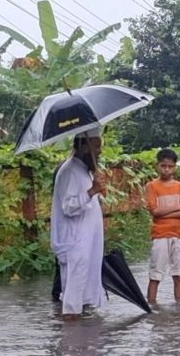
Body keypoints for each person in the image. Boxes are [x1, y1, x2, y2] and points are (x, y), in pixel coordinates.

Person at [50, 128, 106, 321]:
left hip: (85, 244)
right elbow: (68, 206)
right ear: (83, 146)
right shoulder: (69, 171)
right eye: (96, 146)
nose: (99, 151)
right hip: (75, 244)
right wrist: (91, 192)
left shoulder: (84, 170)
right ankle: (72, 342)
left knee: (82, 295)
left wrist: (96, 191)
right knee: (73, 298)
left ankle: (82, 342)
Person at [145, 148, 180, 303]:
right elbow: (154, 211)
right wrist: (177, 208)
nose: (166, 169)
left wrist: (165, 213)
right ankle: (151, 307)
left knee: (178, 274)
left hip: (179, 235)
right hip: (160, 235)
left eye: (170, 166)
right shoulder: (151, 186)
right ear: (157, 166)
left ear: (175, 167)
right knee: (155, 275)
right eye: (163, 166)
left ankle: (179, 309)